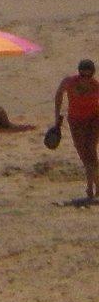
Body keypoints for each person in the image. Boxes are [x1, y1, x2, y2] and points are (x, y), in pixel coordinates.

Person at [54, 59, 99, 200]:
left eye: (88, 75)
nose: (85, 78)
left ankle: (91, 187)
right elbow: (59, 94)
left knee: (91, 151)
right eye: (82, 75)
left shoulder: (96, 86)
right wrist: (57, 116)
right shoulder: (69, 82)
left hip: (93, 121)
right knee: (83, 153)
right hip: (76, 122)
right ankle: (95, 184)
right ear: (79, 73)